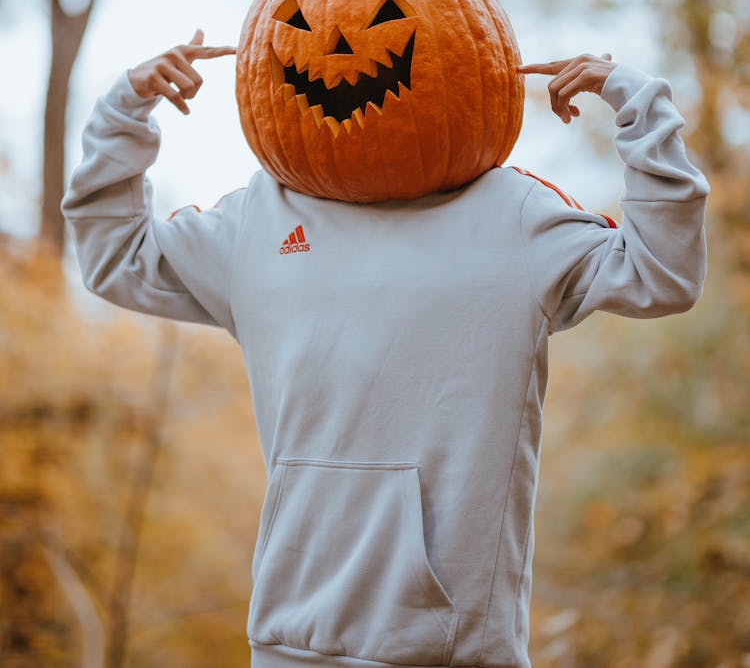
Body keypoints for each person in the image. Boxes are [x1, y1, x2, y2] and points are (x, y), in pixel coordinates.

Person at [62, 33, 709, 668]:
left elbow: (664, 273)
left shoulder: (516, 216)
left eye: (386, 22)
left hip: (449, 650)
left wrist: (635, 102)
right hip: (289, 638)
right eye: (308, 26)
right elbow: (116, 255)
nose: (343, 50)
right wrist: (125, 110)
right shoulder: (256, 221)